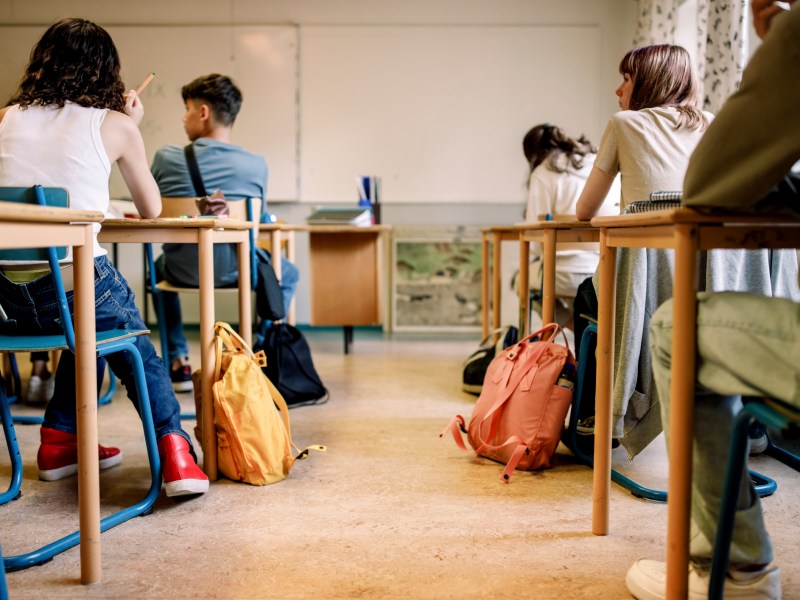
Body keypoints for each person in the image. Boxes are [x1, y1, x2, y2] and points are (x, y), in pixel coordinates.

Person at [626, 2, 799, 598]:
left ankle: (737, 567)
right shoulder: (692, 118)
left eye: (623, 78)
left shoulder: (793, 32)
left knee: (676, 327)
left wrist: (779, 38)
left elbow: (710, 184)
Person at [0, 17, 208, 497]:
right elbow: (152, 209)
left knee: (88, 333)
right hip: (73, 284)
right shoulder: (113, 124)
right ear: (106, 72)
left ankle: (59, 441)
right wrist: (128, 129)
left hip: (7, 301)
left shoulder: (5, 118)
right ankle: (174, 450)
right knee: (132, 341)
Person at [150, 73, 299, 392]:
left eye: (187, 109)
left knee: (155, 270)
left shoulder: (166, 158)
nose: (183, 117)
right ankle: (254, 351)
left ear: (203, 112)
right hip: (238, 270)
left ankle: (177, 360)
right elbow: (255, 220)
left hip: (181, 270)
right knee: (288, 272)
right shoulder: (256, 164)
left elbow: (150, 208)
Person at [520, 124, 618, 329]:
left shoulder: (543, 171)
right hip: (602, 269)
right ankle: (586, 328)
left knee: (520, 281)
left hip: (559, 273)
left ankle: (573, 325)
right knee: (583, 297)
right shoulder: (599, 163)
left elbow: (535, 238)